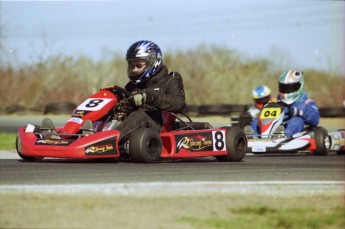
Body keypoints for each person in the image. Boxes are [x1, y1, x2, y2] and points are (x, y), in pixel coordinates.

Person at [115, 40, 186, 143]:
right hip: (135, 128)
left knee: (139, 115)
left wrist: (150, 97)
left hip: (159, 126)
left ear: (153, 63)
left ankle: (106, 143)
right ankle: (90, 135)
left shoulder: (169, 81)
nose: (134, 70)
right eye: (131, 66)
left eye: (138, 66)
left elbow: (178, 103)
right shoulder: (131, 86)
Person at [251, 70, 320, 136]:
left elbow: (315, 120)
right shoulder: (278, 102)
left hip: (296, 130)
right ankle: (254, 136)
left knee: (297, 121)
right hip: (277, 123)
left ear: (299, 86)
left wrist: (301, 113)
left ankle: (285, 136)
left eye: (289, 88)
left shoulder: (307, 103)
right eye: (283, 88)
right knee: (257, 120)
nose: (286, 91)